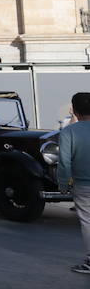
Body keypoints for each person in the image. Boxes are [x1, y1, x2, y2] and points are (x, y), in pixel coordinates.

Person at [59, 92, 90, 275]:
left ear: (75, 110)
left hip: (84, 186)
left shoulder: (69, 131)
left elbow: (64, 161)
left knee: (88, 222)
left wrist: (63, 183)